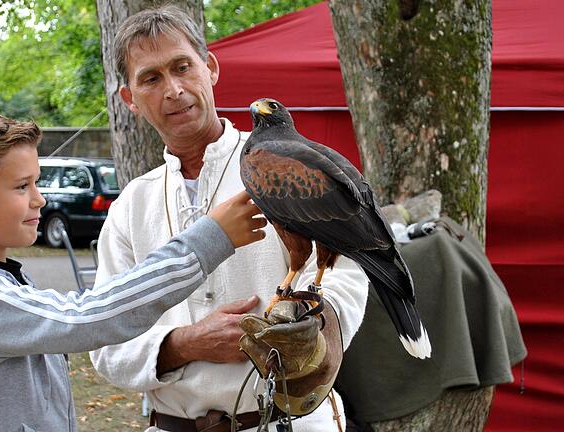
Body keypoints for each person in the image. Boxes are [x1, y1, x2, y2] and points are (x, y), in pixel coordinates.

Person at [0, 109, 266, 432]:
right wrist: (208, 239)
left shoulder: (2, 280)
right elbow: (85, 317)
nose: (39, 199)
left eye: (35, 182)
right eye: (22, 186)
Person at [89, 6, 369, 431]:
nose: (174, 89)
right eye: (151, 78)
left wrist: (317, 327)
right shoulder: (131, 206)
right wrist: (184, 344)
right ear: (130, 99)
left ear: (211, 68)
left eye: (183, 67)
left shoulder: (285, 165)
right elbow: (105, 341)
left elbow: (347, 273)